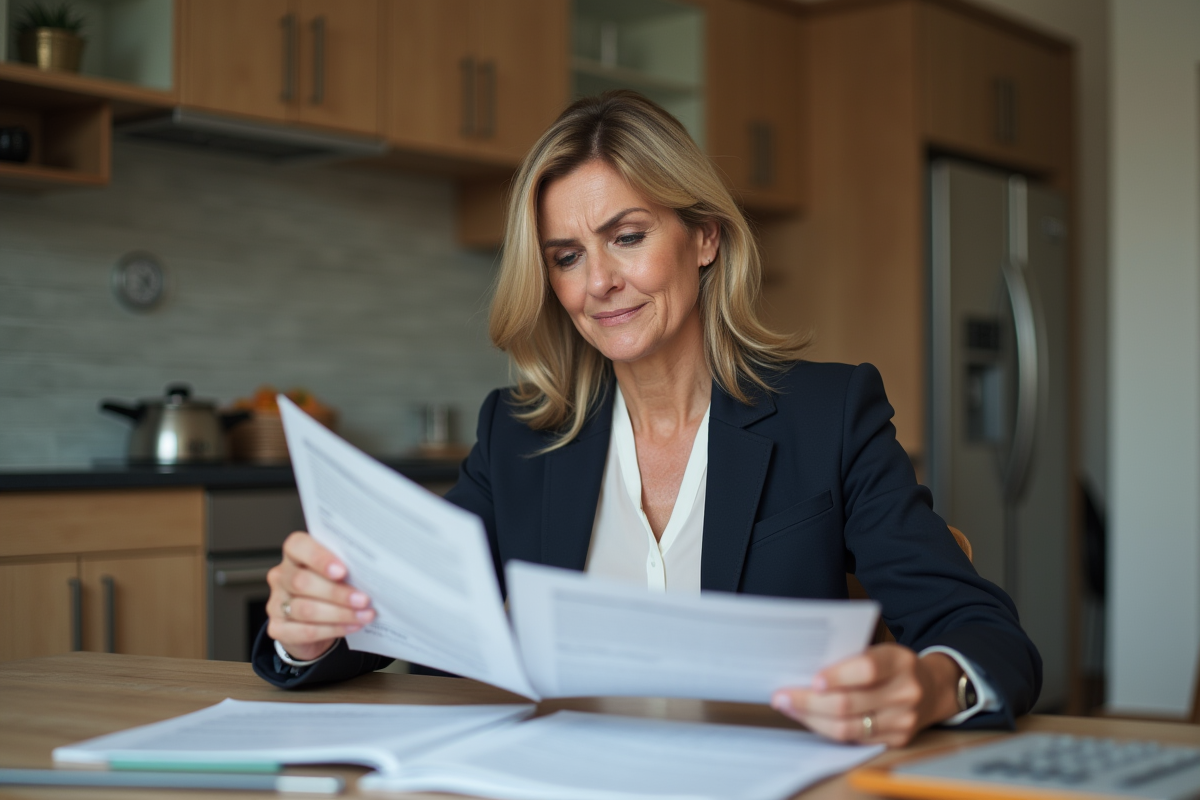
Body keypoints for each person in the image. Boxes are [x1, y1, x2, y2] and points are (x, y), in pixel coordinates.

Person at [253, 90, 1041, 747]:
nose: (598, 281)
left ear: (705, 237)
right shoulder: (517, 437)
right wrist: (310, 627)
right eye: (566, 256)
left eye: (626, 237)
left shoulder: (829, 415)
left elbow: (983, 631)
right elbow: (406, 615)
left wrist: (932, 683)